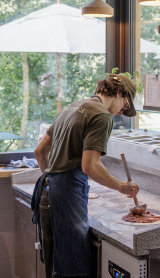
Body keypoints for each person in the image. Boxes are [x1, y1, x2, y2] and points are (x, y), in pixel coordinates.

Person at [34, 73, 140, 278]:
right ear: (119, 93)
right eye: (124, 105)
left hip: (49, 190)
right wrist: (121, 186)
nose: (120, 112)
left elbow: (39, 152)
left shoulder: (72, 107)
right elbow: (90, 166)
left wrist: (55, 182)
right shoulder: (101, 115)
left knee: (58, 264)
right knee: (74, 267)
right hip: (68, 193)